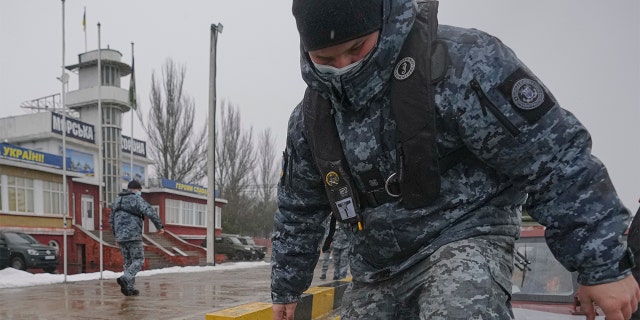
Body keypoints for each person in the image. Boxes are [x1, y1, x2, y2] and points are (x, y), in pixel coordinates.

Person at [271, 0, 640, 319]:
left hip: (464, 237)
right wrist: (286, 288)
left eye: (356, 50)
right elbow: (299, 208)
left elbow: (551, 156)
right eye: (325, 59)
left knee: (458, 303)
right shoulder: (311, 119)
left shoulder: (463, 63)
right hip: (376, 269)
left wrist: (603, 266)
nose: (343, 66)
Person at [109, 180, 164, 296]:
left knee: (128, 261)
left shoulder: (116, 201)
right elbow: (150, 211)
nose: (140, 193)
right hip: (133, 235)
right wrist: (159, 227)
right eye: (140, 190)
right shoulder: (136, 199)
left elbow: (111, 220)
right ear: (136, 189)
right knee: (138, 259)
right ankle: (126, 278)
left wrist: (116, 236)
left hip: (121, 236)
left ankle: (128, 288)